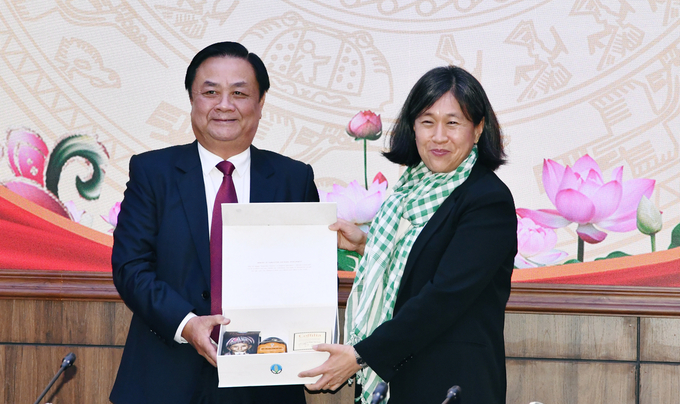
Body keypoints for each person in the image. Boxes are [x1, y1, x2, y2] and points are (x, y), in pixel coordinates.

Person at [110, 42, 316, 404]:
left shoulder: (292, 178)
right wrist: (188, 325)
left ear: (261, 102)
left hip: (266, 382)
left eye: (239, 93)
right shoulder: (152, 172)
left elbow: (307, 278)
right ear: (192, 99)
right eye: (210, 92)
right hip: (165, 377)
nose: (225, 105)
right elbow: (131, 268)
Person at [299, 65, 517, 404]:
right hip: (401, 381)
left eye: (453, 122)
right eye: (427, 122)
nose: (439, 136)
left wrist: (359, 355)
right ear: (412, 128)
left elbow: (445, 295)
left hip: (453, 384)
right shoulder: (408, 191)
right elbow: (423, 261)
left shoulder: (488, 200)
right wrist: (367, 246)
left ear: (477, 129)